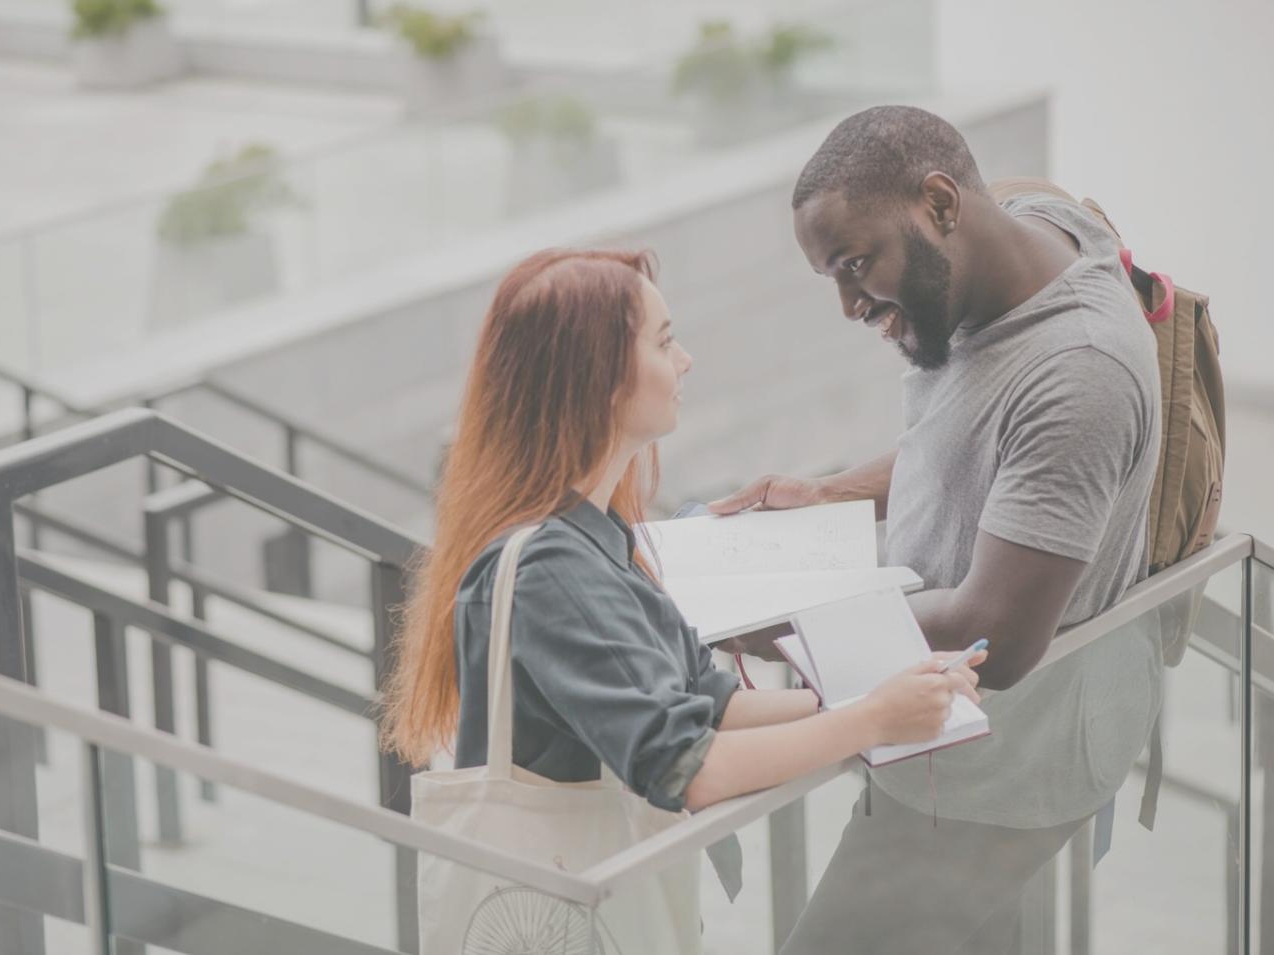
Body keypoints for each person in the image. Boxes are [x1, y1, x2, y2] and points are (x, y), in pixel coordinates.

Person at [710, 106, 1164, 953]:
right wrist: (833, 493)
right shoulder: (1017, 245)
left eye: (855, 264)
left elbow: (991, 637)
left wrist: (778, 616)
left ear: (941, 204)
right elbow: (979, 435)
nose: (849, 304)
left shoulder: (1080, 373)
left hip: (994, 779)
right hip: (944, 743)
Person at [381, 246, 981, 824]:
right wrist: (873, 718)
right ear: (597, 377)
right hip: (568, 915)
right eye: (664, 341)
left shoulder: (596, 538)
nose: (686, 359)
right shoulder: (552, 566)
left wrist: (890, 692)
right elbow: (686, 769)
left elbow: (712, 703)